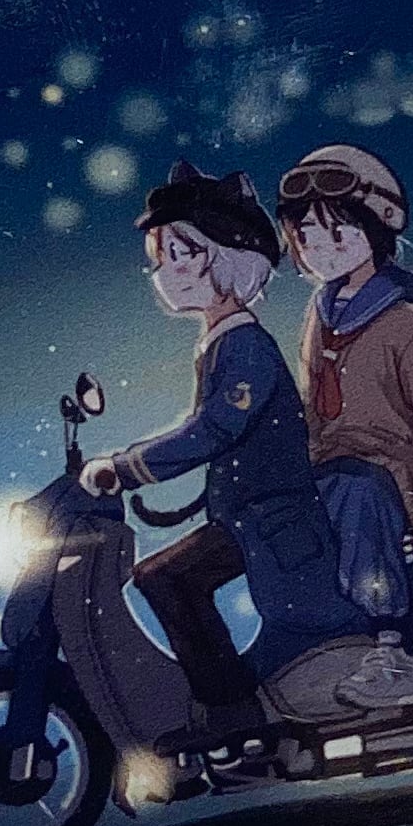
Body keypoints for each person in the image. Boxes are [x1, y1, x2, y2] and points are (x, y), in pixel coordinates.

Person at [82, 159, 371, 754]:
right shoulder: (220, 343)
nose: (167, 269)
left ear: (226, 257)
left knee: (165, 578)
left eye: (182, 252)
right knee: (165, 576)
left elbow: (216, 427)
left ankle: (234, 715)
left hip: (274, 523)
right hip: (249, 516)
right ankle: (231, 709)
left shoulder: (245, 347)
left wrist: (129, 466)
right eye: (162, 255)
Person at [279, 142, 413, 624]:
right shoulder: (319, 312)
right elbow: (309, 398)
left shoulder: (402, 321)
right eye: (307, 235)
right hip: (329, 464)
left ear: (376, 229)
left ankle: (387, 635)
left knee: (356, 493)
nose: (320, 249)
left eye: (338, 233)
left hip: (389, 473)